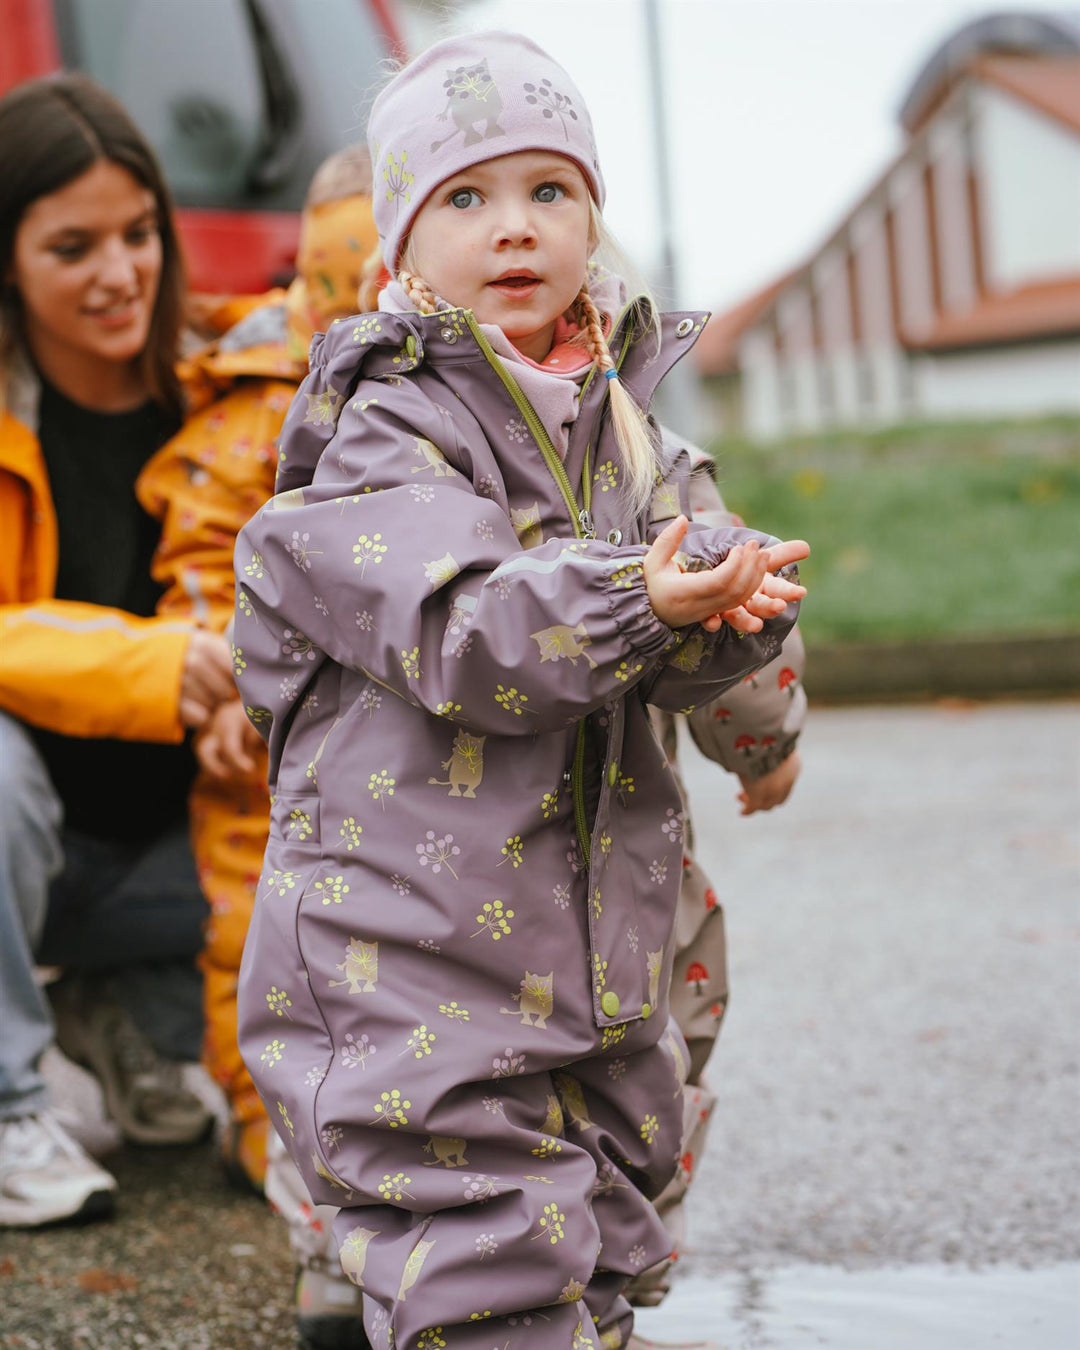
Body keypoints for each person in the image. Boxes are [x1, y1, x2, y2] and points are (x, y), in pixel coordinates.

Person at [231, 30, 808, 1350]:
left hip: (605, 929)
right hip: (418, 932)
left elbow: (706, 577)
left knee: (615, 1179)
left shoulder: (637, 429)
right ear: (398, 247)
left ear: (595, 222)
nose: (516, 229)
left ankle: (586, 1313)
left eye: (552, 191)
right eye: (467, 197)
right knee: (474, 1222)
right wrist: (641, 598)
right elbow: (465, 626)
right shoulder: (384, 430)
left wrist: (748, 678)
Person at [0, 73, 231, 1227]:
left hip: (174, 849)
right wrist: (148, 664)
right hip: (24, 848)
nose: (120, 273)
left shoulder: (235, 389)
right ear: (7, 261)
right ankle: (3, 1103)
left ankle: (128, 1009)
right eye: (74, 246)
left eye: (139, 234)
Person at [136, 142, 382, 1196]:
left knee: (411, 951)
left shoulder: (483, 394)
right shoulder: (250, 409)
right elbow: (201, 558)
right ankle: (272, 1129)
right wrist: (231, 685)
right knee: (255, 931)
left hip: (417, 745)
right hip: (271, 754)